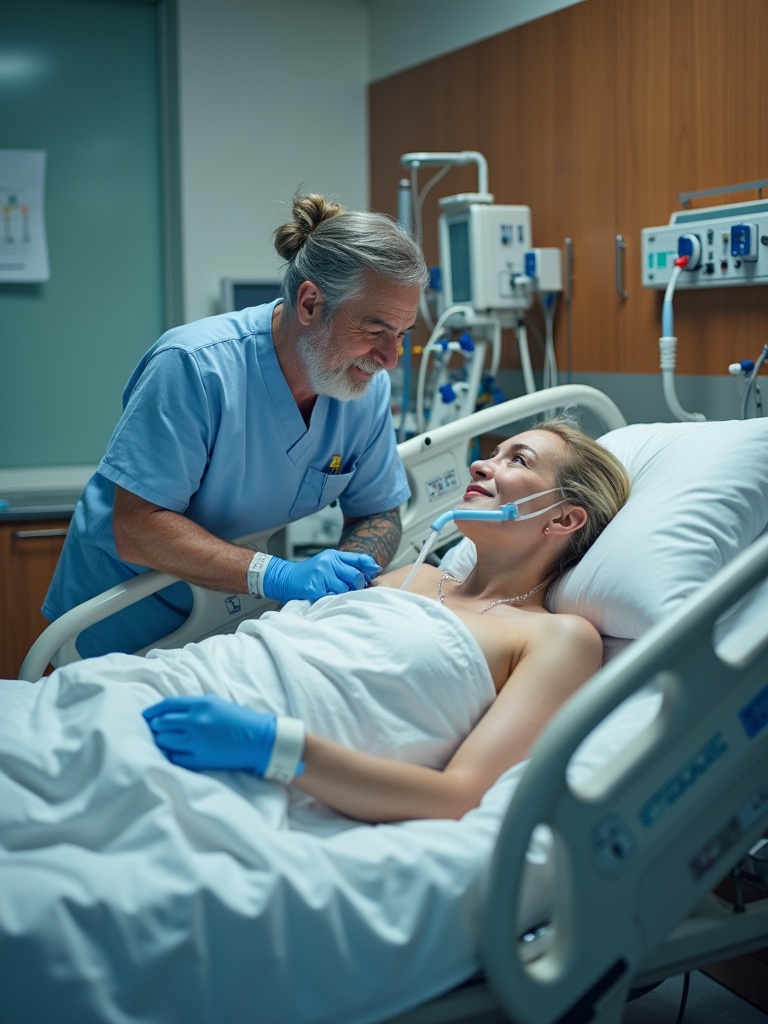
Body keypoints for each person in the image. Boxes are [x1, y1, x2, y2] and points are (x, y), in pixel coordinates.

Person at [143, 420, 632, 823]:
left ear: (564, 520)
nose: (483, 463)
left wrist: (273, 745)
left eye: (517, 460)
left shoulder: (559, 638)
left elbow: (459, 795)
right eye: (494, 452)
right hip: (182, 681)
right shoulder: (411, 575)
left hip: (256, 754)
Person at [43, 192, 429, 659]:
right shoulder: (193, 368)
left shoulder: (361, 390)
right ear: (310, 304)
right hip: (124, 617)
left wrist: (351, 574)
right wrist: (279, 576)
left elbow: (378, 510)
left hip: (230, 626)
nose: (390, 359)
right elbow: (138, 527)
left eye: (402, 335)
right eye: (375, 331)